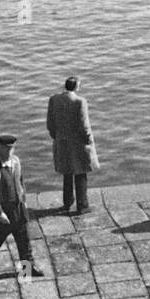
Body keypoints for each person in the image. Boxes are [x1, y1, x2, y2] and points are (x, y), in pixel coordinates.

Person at [0, 134, 45, 277]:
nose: (9, 152)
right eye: (5, 149)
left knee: (24, 239)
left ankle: (28, 269)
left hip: (18, 208)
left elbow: (20, 182)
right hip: (5, 211)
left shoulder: (16, 162)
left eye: (11, 148)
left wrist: (24, 201)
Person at [47, 76, 99, 214]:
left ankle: (67, 203)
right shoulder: (80, 101)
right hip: (77, 143)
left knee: (67, 173)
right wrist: (88, 140)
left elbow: (50, 123)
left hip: (62, 141)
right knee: (81, 174)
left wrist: (55, 136)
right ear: (76, 87)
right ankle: (83, 205)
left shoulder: (54, 99)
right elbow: (84, 125)